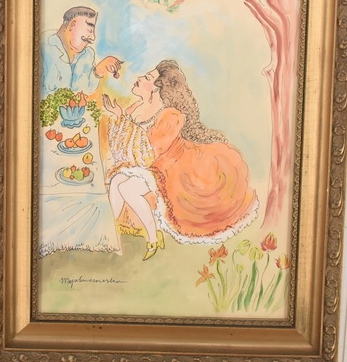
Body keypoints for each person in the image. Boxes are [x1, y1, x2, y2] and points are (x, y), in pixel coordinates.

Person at [102, 60, 259, 261]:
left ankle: (153, 239)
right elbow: (124, 146)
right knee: (116, 181)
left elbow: (152, 150)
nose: (140, 78)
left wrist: (123, 120)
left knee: (127, 188)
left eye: (147, 77)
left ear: (157, 88)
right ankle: (109, 235)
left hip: (171, 169)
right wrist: (120, 116)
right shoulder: (135, 108)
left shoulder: (171, 115)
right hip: (146, 165)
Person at [41, 6, 122, 97]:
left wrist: (98, 71)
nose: (93, 37)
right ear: (72, 25)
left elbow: (85, 92)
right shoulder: (42, 49)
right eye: (90, 30)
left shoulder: (87, 55)